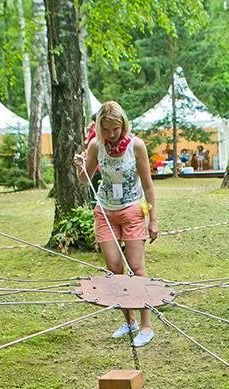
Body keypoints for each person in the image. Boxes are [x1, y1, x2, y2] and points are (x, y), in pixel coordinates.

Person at [76, 101, 159, 347]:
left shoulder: (137, 146)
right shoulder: (95, 146)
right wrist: (80, 166)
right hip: (105, 211)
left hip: (132, 210)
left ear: (124, 125)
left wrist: (153, 219)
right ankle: (129, 320)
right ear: (100, 128)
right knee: (114, 268)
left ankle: (146, 325)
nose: (112, 135)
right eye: (107, 130)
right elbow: (85, 180)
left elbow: (148, 185)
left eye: (116, 129)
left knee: (136, 267)